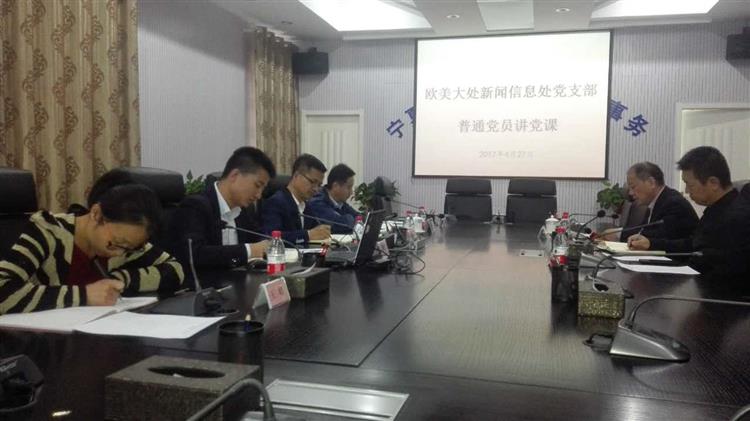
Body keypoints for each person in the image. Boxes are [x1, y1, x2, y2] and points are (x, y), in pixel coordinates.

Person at [0, 169, 185, 314]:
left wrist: (121, 279)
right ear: (96, 214)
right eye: (116, 243)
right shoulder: (48, 231)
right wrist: (85, 295)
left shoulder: (125, 243)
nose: (119, 253)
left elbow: (175, 270)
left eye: (130, 248)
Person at [628, 147, 750, 285]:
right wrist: (651, 244)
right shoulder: (717, 209)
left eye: (689, 185)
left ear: (713, 183)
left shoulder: (737, 218)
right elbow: (693, 244)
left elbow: (714, 271)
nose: (686, 191)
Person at [169, 147, 275, 272]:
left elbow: (257, 237)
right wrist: (249, 250)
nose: (259, 195)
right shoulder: (195, 206)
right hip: (205, 282)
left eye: (263, 189)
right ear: (234, 175)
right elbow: (194, 254)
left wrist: (264, 245)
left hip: (239, 281)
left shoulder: (243, 211)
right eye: (257, 185)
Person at [618, 162, 698, 242]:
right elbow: (643, 229)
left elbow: (657, 237)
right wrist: (618, 233)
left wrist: (619, 234)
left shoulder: (674, 203)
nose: (630, 193)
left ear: (651, 182)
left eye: (633, 187)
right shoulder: (654, 202)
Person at [261, 154, 331, 245]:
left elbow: (316, 230)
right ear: (296, 176)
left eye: (319, 185)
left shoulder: (306, 207)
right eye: (312, 182)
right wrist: (308, 235)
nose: (316, 189)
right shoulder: (275, 203)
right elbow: (271, 238)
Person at [305, 163, 360, 234]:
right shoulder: (317, 201)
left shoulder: (340, 202)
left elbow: (359, 217)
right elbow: (340, 224)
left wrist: (356, 219)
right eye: (349, 187)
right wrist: (352, 219)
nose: (351, 192)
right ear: (335, 186)